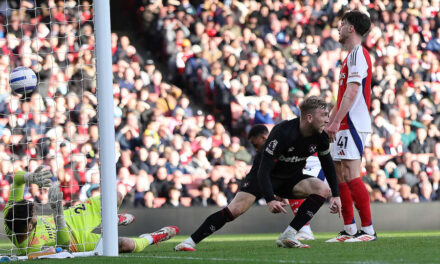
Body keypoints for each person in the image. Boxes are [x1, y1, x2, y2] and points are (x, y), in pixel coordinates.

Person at [174, 96, 341, 251]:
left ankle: (289, 234)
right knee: (235, 210)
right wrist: (269, 199)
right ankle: (189, 241)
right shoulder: (283, 132)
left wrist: (335, 195)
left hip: (291, 178)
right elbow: (263, 170)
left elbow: (328, 164)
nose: (328, 119)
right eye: (324, 115)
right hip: (263, 177)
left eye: (328, 115)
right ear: (309, 118)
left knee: (323, 189)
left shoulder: (322, 136)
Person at [4, 166, 179, 255]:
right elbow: (63, 244)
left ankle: (111, 219)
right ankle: (153, 237)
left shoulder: (10, 216)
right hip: (76, 241)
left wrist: (30, 177)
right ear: (28, 227)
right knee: (125, 245)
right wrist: (57, 213)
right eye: (33, 215)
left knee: (115, 195)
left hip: (71, 218)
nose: (35, 213)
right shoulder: (33, 249)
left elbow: (17, 179)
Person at [325, 10, 377, 242]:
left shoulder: (358, 54)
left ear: (351, 28)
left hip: (354, 122)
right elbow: (342, 96)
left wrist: (336, 121)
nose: (339, 27)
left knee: (351, 173)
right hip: (344, 122)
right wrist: (331, 121)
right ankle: (349, 229)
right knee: (339, 174)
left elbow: (353, 90)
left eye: (342, 23)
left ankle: (368, 230)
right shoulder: (348, 57)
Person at [249, 125, 323, 241]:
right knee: (296, 189)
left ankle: (305, 230)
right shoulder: (279, 141)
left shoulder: (280, 140)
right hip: (308, 163)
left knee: (300, 188)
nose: (256, 149)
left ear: (263, 138)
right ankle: (303, 230)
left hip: (313, 162)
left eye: (255, 144)